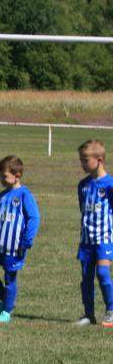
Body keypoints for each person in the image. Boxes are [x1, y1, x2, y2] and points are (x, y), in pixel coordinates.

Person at [0, 155, 40, 323]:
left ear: (17, 175)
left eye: (4, 176)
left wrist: (27, 240)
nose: (1, 179)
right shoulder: (1, 196)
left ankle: (6, 311)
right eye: (0, 176)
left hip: (14, 247)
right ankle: (7, 302)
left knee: (9, 278)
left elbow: (34, 218)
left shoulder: (24, 195)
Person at [74, 140, 113, 327]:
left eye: (85, 160)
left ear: (99, 160)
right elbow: (83, 210)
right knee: (86, 277)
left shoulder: (110, 185)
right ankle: (89, 314)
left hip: (104, 239)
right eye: (81, 160)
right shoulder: (83, 185)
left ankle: (111, 311)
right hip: (86, 240)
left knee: (103, 273)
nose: (82, 164)